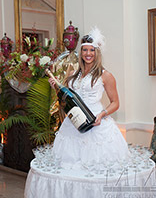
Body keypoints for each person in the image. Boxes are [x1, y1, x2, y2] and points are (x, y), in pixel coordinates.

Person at [49, 27, 129, 170]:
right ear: (81, 52)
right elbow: (67, 99)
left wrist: (102, 114)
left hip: (95, 121)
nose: (88, 53)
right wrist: (56, 87)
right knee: (70, 165)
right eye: (85, 50)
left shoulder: (106, 75)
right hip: (73, 122)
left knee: (94, 167)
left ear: (97, 52)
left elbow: (115, 103)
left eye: (92, 50)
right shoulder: (73, 74)